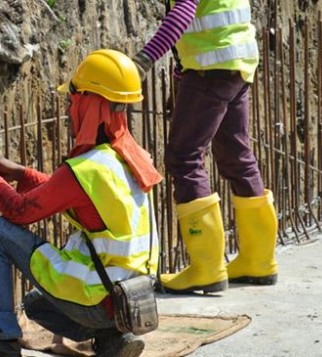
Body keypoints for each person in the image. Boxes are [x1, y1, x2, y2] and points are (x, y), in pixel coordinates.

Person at [0, 49, 162, 357]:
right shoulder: (129, 158)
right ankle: (113, 340)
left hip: (100, 297)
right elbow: (79, 197)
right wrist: (23, 173)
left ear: (89, 102)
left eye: (72, 100)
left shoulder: (88, 168)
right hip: (130, 299)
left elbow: (18, 211)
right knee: (36, 305)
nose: (68, 109)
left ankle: (0, 347)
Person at [131, 0, 278, 294]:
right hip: (236, 63)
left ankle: (207, 268)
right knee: (237, 157)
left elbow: (184, 11)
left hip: (210, 68)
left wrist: (144, 60)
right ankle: (258, 260)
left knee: (184, 158)